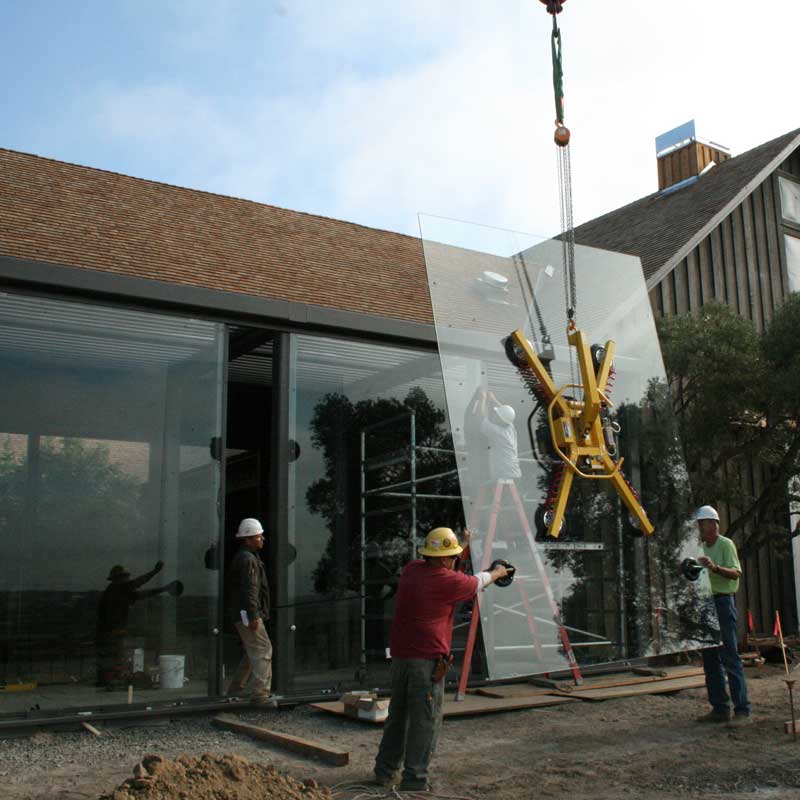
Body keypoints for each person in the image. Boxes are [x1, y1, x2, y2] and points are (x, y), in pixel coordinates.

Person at [373, 527, 509, 792]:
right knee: (425, 721)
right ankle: (415, 781)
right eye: (453, 556)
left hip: (401, 659)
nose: (455, 560)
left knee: (398, 718)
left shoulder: (412, 569)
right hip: (426, 663)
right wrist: (499, 572)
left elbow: (453, 576)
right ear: (447, 558)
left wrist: (464, 543)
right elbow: (474, 582)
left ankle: (384, 771)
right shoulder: (448, 582)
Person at [695, 505, 751, 726]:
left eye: (703, 523)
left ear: (714, 524)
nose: (700, 528)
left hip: (722, 602)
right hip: (706, 602)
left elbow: (735, 573)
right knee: (709, 658)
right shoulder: (699, 547)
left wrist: (715, 567)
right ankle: (720, 708)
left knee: (729, 655)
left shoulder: (725, 545)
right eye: (699, 524)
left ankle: (742, 710)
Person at [95, 560, 182, 687]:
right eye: (124, 578)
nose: (126, 580)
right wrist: (155, 572)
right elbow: (139, 582)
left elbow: (142, 594)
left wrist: (164, 588)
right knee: (114, 657)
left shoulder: (119, 591)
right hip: (110, 632)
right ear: (117, 579)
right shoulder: (116, 589)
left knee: (116, 658)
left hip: (112, 632)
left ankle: (112, 679)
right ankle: (110, 680)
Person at [225, 517, 273, 705]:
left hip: (242, 612)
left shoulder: (245, 558)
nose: (262, 539)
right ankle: (261, 694)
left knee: (250, 651)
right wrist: (253, 615)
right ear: (248, 539)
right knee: (263, 649)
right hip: (248, 613)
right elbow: (249, 590)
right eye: (258, 536)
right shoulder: (248, 560)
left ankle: (234, 690)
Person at [479, 389, 521, 481]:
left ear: (500, 419)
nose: (493, 415)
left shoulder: (497, 432)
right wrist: (494, 400)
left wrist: (483, 399)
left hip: (504, 475)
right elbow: (507, 414)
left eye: (496, 415)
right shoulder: (510, 427)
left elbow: (481, 417)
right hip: (515, 474)